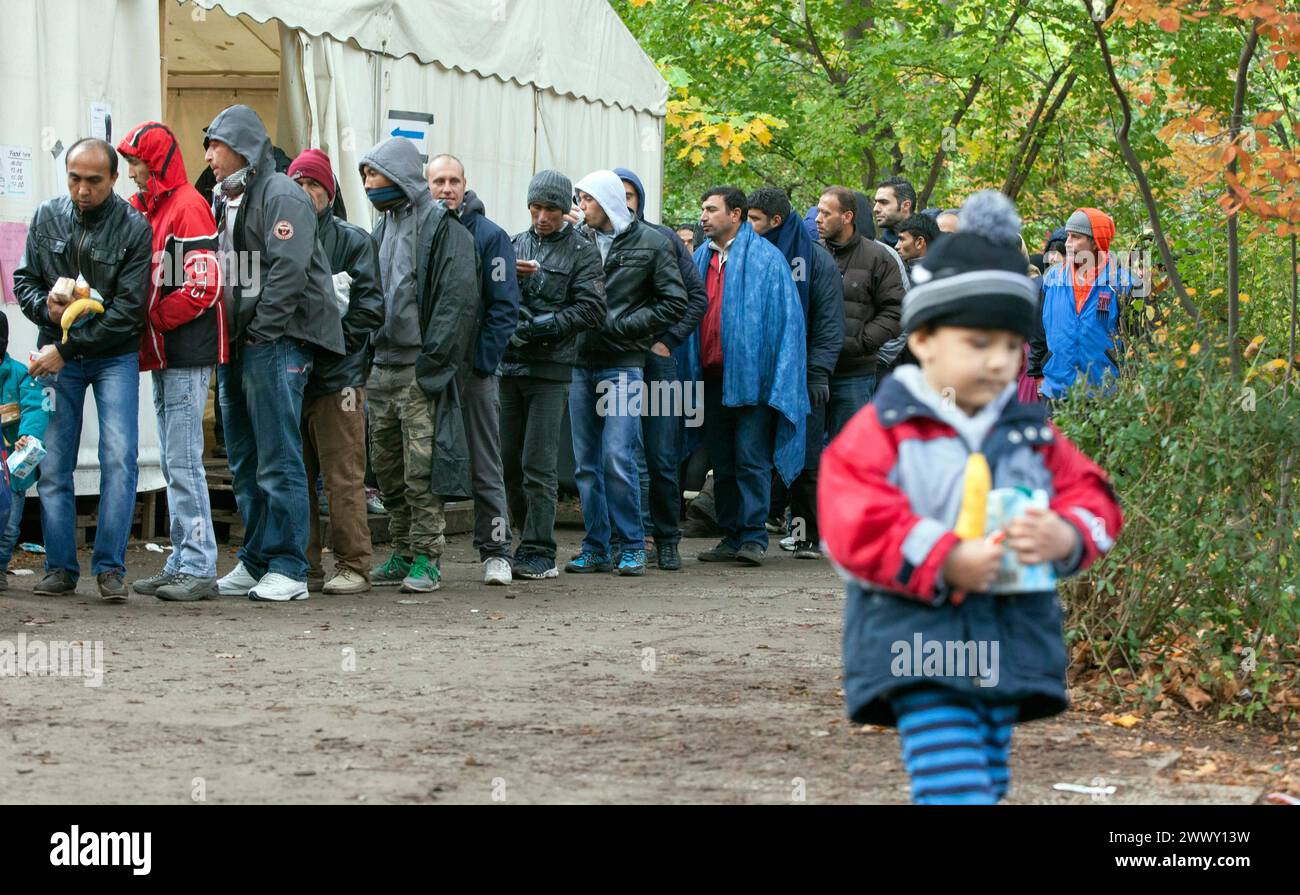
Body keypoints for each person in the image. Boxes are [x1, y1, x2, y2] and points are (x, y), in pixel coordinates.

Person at [819, 190, 1123, 804]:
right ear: (925, 340)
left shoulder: (1028, 428)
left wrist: (1067, 534)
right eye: (977, 344)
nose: (998, 362)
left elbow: (1091, 494)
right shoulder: (889, 427)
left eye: (1010, 347)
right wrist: (941, 556)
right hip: (917, 640)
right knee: (953, 782)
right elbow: (850, 517)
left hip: (1009, 637)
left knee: (987, 774)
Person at [205, 105, 345, 602]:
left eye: (216, 145)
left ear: (241, 145)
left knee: (278, 453)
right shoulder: (228, 198)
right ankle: (258, 558)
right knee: (245, 455)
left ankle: (289, 565)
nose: (209, 156)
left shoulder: (282, 193)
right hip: (240, 342)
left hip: (275, 340)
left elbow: (287, 273)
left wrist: (261, 332)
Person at [14, 137, 151, 602]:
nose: (82, 190)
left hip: (111, 355)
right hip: (56, 348)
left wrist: (66, 351)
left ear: (114, 179)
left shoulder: (135, 228)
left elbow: (130, 312)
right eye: (75, 179)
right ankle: (59, 568)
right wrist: (49, 314)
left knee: (119, 458)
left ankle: (110, 569)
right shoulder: (45, 216)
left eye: (94, 180)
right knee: (52, 464)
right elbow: (23, 280)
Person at [360, 137, 479, 593]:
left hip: (418, 370)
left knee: (421, 470)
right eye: (367, 176)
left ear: (400, 176)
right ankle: (403, 549)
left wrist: (432, 368)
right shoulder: (383, 226)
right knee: (386, 469)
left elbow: (457, 304)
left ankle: (427, 557)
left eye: (376, 175)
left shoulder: (444, 230)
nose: (370, 185)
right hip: (382, 367)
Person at [113, 122, 225, 602]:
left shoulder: (187, 208)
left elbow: (204, 286)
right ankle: (182, 560)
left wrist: (153, 320)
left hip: (185, 350)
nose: (131, 173)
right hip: (169, 350)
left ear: (154, 163)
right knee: (177, 458)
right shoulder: (156, 206)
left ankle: (197, 565)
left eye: (136, 163)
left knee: (182, 460)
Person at [567, 169, 687, 576]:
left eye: (587, 200)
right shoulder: (576, 240)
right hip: (579, 363)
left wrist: (624, 326)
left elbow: (675, 301)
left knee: (618, 455)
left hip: (623, 364)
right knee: (585, 462)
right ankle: (597, 546)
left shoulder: (652, 242)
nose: (581, 208)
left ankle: (633, 544)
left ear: (606, 201)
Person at [690, 186, 808, 565]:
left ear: (735, 215)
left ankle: (754, 537)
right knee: (721, 461)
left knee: (751, 458)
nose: (703, 217)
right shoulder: (698, 259)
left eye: (711, 210)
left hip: (753, 379)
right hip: (710, 376)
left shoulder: (767, 260)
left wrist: (779, 376)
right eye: (702, 210)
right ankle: (730, 534)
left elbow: (786, 323)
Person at [288, 148, 384, 595]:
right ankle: (302, 565)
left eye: (314, 184)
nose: (306, 193)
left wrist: (327, 342)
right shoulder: (279, 238)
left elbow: (370, 310)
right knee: (295, 477)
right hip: (290, 378)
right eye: (298, 184)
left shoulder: (352, 240)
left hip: (338, 380)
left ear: (329, 191)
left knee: (344, 477)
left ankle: (354, 565)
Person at [502, 171, 606, 580]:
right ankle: (521, 539)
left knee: (538, 464)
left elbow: (592, 309)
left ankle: (540, 550)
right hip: (509, 365)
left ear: (565, 210)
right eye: (536, 208)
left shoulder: (583, 250)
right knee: (507, 462)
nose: (542, 216)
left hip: (551, 369)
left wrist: (540, 326)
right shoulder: (513, 244)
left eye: (551, 209)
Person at [427, 153, 521, 586]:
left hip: (474, 370)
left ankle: (497, 551)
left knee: (486, 462)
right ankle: (418, 554)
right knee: (419, 462)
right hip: (428, 367)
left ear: (466, 184)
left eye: (453, 181)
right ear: (427, 186)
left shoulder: (491, 237)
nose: (446, 188)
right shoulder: (420, 231)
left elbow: (504, 307)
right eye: (438, 181)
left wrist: (483, 362)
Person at [614, 167, 707, 571]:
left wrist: (667, 341)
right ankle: (636, 537)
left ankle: (668, 539)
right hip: (615, 360)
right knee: (622, 455)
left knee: (662, 454)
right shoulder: (597, 242)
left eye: (632, 193)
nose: (626, 201)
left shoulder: (664, 239)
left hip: (658, 363)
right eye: (618, 194)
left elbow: (696, 297)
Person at [745, 187, 842, 561]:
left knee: (805, 460)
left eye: (755, 219)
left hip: (802, 377)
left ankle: (805, 535)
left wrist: (817, 372)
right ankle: (746, 533)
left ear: (776, 221)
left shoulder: (814, 260)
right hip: (755, 376)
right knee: (752, 455)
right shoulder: (746, 256)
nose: (748, 226)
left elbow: (829, 323)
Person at [815, 186, 904, 435]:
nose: (817, 219)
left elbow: (896, 310)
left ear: (847, 217)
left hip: (855, 374)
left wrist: (860, 342)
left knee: (850, 452)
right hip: (813, 373)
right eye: (818, 212)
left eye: (825, 213)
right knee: (810, 459)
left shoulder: (878, 257)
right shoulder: (812, 255)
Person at [1040, 208, 1130, 401]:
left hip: (1105, 392)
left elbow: (1141, 340)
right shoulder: (1052, 279)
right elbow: (1038, 329)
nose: (1067, 243)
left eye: (1076, 237)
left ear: (1096, 242)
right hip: (1057, 388)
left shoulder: (1122, 284)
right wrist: (1037, 372)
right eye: (1068, 236)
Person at [0, 315, 47, 589]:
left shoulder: (22, 374)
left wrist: (26, 436)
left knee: (8, 527)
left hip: (12, 468)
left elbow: (37, 407)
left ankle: (0, 568)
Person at [872, 176, 916, 248]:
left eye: (884, 202)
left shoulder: (932, 242)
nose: (875, 209)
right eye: (876, 202)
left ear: (906, 205)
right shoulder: (878, 249)